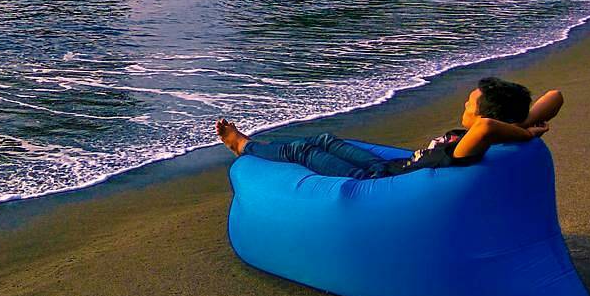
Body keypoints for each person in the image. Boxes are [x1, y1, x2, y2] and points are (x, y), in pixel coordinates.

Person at [215, 77, 562, 179]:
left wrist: (523, 132)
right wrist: (524, 124)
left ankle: (243, 145)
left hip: (377, 180)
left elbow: (486, 126)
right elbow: (555, 96)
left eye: (469, 104)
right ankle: (247, 144)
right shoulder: (498, 130)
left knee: (304, 151)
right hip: (387, 167)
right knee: (325, 139)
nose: (465, 106)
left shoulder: (468, 148)